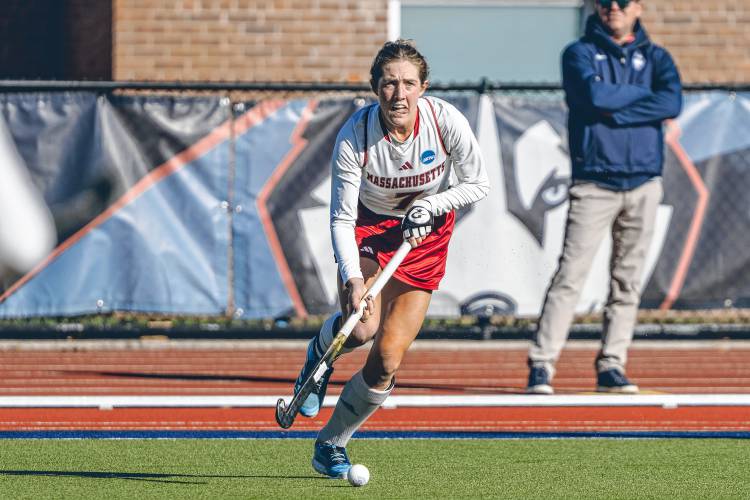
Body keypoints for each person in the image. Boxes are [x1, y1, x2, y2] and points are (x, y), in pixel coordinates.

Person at [290, 39, 489, 478]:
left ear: (424, 87)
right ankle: (319, 354)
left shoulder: (444, 121)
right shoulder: (355, 136)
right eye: (389, 84)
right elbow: (341, 218)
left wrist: (433, 206)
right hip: (371, 230)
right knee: (360, 328)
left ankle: (331, 445)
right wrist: (350, 277)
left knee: (387, 360)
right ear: (375, 88)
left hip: (427, 236)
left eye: (408, 84)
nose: (399, 95)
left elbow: (478, 183)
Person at [526, 0, 682, 394]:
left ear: (639, 8)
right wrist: (640, 104)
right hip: (594, 182)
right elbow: (593, 99)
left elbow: (672, 103)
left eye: (623, 1)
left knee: (627, 282)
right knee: (570, 276)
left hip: (644, 182)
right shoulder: (578, 52)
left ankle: (612, 364)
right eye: (605, 1)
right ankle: (542, 363)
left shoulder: (658, 57)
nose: (613, 7)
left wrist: (616, 111)